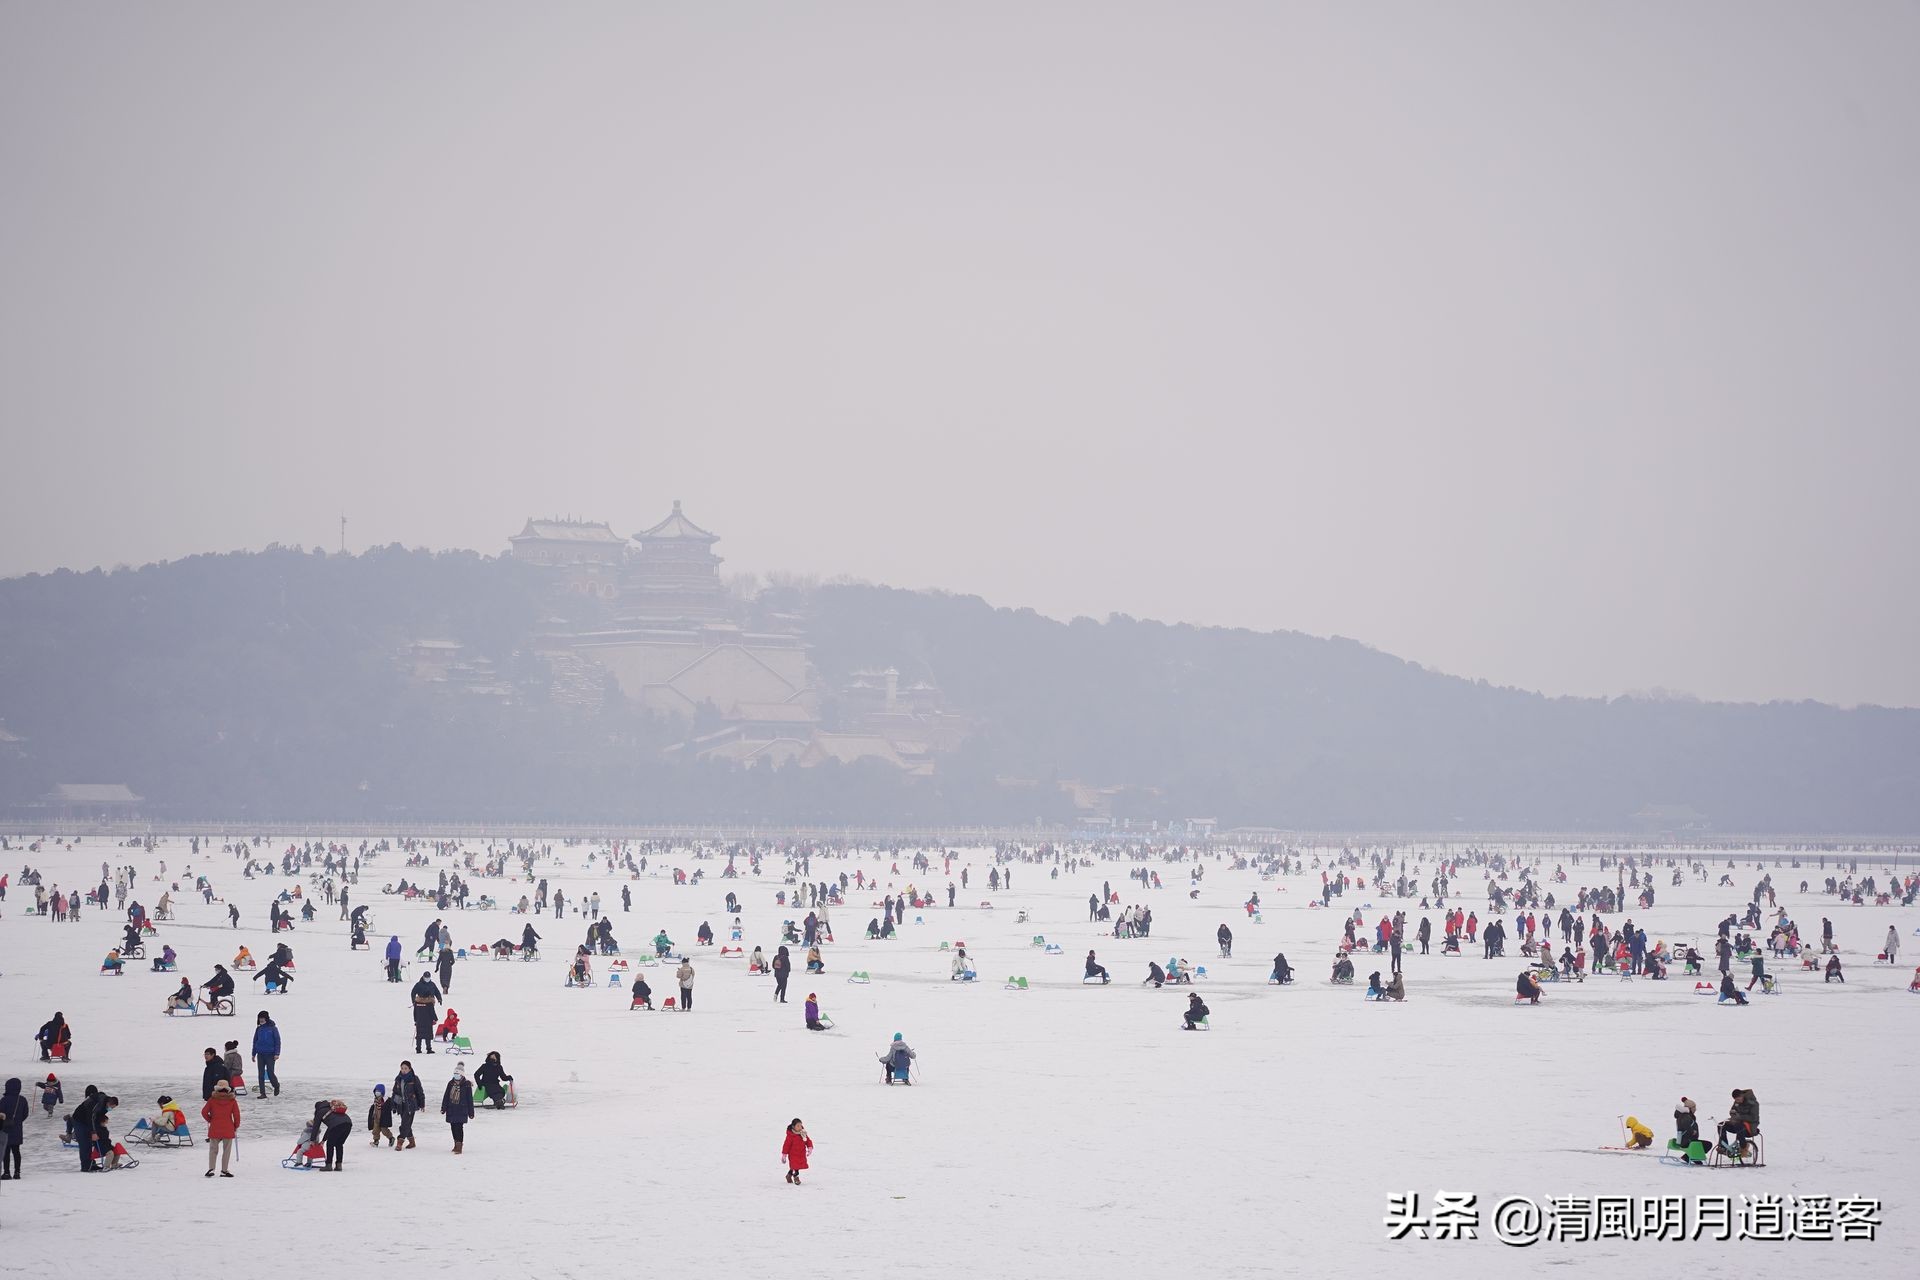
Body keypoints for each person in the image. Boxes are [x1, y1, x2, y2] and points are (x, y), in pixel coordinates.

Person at [201, 1080, 240, 1177]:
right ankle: (224, 1170)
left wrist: (210, 1120)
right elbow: (236, 1115)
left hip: (215, 1127)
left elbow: (204, 1112)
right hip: (228, 1127)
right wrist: (235, 1126)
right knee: (226, 1150)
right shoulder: (232, 1100)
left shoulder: (212, 1100)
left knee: (213, 1149)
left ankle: (211, 1169)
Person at [391, 1061, 425, 1151]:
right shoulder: (398, 1079)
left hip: (411, 1105)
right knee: (407, 1124)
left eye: (405, 1068)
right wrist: (393, 1104)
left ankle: (400, 1142)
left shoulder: (414, 1079)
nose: (403, 1070)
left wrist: (422, 1104)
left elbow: (420, 1092)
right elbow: (395, 1092)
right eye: (402, 1068)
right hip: (401, 1105)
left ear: (410, 1069)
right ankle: (412, 1142)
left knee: (405, 1124)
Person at [442, 1063, 475, 1154]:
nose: (456, 1075)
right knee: (453, 1127)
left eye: (458, 1074)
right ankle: (456, 1143)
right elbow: (446, 1096)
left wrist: (471, 1113)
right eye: (455, 1073)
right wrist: (443, 1108)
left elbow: (469, 1099)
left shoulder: (467, 1085)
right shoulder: (450, 1083)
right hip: (451, 1109)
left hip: (461, 1109)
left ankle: (459, 1145)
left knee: (459, 1127)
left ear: (462, 1075)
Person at [1717, 1088, 1759, 1157]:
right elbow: (1733, 1111)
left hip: (1750, 1126)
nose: (1737, 1101)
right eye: (1736, 1100)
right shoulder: (1737, 1102)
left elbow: (1753, 1118)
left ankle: (1743, 1146)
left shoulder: (1753, 1104)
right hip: (1737, 1123)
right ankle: (1724, 1147)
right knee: (1721, 1125)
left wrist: (1740, 1117)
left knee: (1739, 1126)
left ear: (1742, 1096)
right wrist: (1732, 1114)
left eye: (1738, 1100)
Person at [1, 1076, 27, 1180]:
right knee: (16, 1151)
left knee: (6, 1152)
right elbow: (25, 1114)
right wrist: (18, 1122)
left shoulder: (4, 1100)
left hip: (5, 1129)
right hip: (17, 1129)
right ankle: (17, 1172)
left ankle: (6, 1173)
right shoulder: (22, 1100)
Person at [253, 1011, 282, 1096]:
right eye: (260, 1018)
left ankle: (276, 1085)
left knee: (270, 1073)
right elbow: (255, 1042)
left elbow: (277, 1041)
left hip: (270, 1054)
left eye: (262, 1018)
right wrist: (253, 1054)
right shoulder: (258, 1029)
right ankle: (263, 1093)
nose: (261, 1019)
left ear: (266, 1018)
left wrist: (277, 1053)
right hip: (260, 1054)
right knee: (260, 1074)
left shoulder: (273, 1028)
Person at [411, 974, 442, 1052]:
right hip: (428, 1021)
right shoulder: (429, 1004)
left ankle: (418, 1049)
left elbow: (437, 992)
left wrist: (439, 999)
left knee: (419, 1034)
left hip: (420, 1020)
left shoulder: (432, 984)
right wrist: (435, 1019)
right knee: (427, 1034)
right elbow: (432, 1012)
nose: (427, 979)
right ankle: (428, 1049)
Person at [782, 1117, 813, 1184]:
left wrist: (810, 1147)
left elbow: (808, 1141)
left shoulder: (803, 1133)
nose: (800, 1127)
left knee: (796, 1166)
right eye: (798, 1126)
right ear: (793, 1127)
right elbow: (786, 1145)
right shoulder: (790, 1136)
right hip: (793, 1154)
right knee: (795, 1166)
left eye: (800, 1125)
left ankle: (789, 1175)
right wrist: (784, 1155)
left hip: (801, 1153)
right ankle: (796, 1177)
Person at [1673, 1097, 1703, 1163]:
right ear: (1690, 1108)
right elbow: (1686, 1126)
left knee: (1703, 1144)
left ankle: (1688, 1157)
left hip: (1684, 1140)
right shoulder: (1686, 1116)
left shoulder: (1684, 1115)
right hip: (1687, 1141)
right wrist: (1693, 1132)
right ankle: (1688, 1157)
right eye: (1694, 1107)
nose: (1695, 1109)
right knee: (1707, 1145)